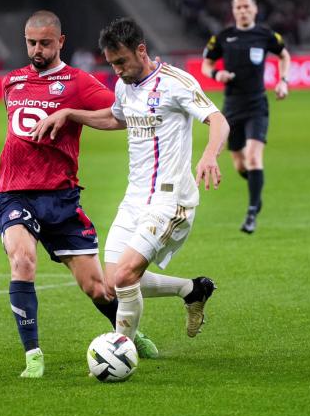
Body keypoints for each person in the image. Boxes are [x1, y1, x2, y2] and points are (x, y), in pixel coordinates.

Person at [32, 17, 228, 347]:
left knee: (124, 276)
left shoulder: (175, 82)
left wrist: (210, 154)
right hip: (134, 198)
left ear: (141, 50)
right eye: (112, 65)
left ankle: (120, 350)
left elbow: (217, 120)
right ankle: (192, 289)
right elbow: (115, 117)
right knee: (113, 281)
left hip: (170, 199)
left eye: (122, 62)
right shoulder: (124, 86)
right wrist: (71, 114)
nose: (118, 71)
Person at [0, 10, 158, 379]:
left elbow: (118, 116)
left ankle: (128, 337)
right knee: (22, 261)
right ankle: (33, 355)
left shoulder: (78, 82)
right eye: (31, 43)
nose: (37, 50)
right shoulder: (12, 82)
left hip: (61, 197)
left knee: (99, 288)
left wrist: (70, 115)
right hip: (15, 194)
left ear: (60, 42)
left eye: (45, 43)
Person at [201, 0, 291, 234]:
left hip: (256, 104)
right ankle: (256, 190)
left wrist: (283, 81)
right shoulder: (223, 37)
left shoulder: (265, 34)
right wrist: (216, 74)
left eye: (246, 6)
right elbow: (206, 65)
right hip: (231, 107)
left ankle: (252, 212)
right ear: (233, 11)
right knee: (241, 165)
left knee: (253, 158)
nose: (242, 11)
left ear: (255, 9)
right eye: (238, 7)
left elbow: (284, 55)